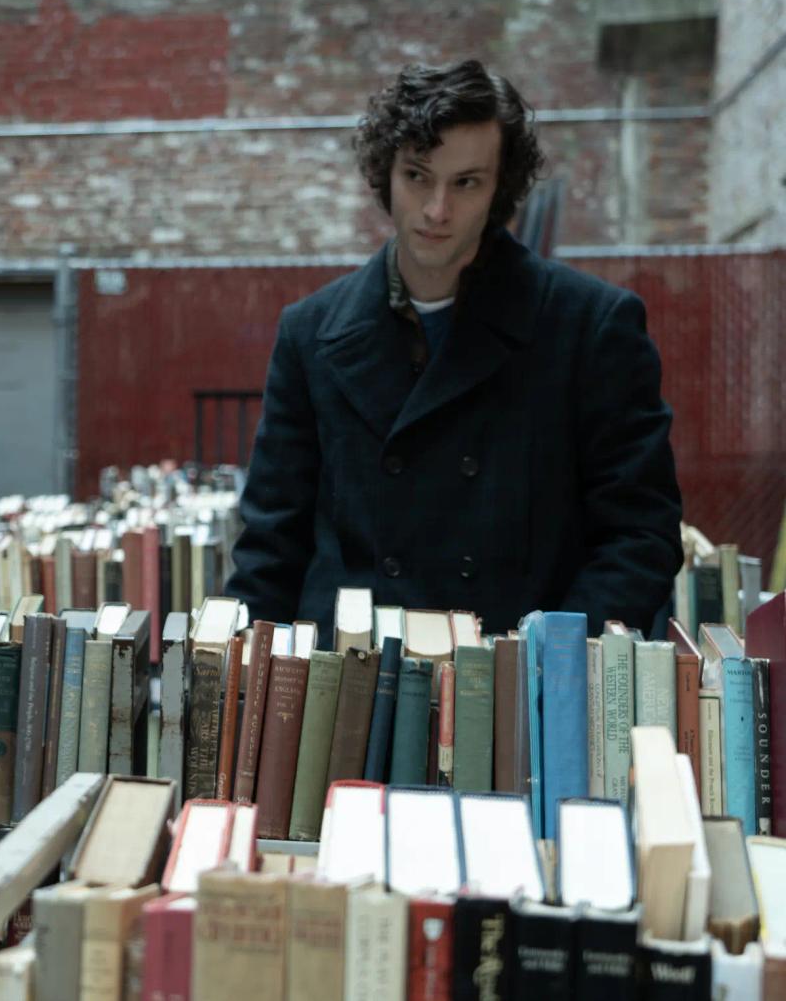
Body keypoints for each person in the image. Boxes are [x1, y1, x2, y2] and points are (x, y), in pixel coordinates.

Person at [225, 59, 682, 639]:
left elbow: (640, 535)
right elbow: (270, 550)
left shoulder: (590, 326)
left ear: (500, 190)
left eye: (465, 182)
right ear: (385, 175)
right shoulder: (309, 333)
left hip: (516, 690)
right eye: (418, 176)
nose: (437, 210)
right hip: (347, 690)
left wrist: (550, 666)